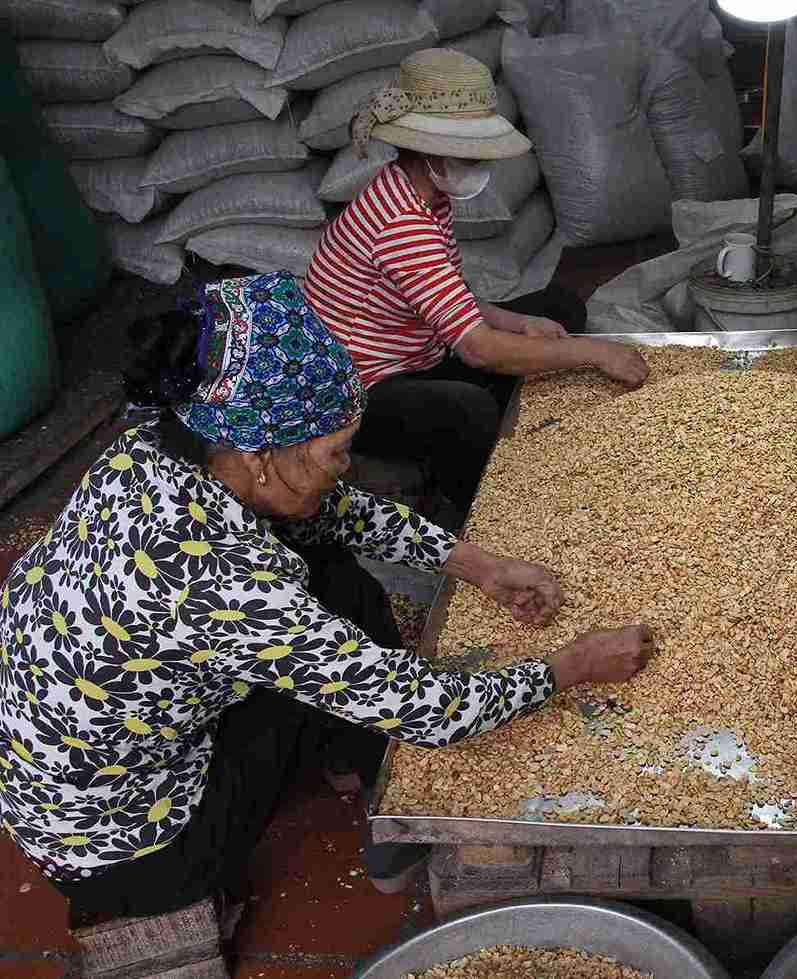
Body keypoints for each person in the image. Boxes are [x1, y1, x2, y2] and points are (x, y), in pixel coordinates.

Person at [0, 270, 656, 924]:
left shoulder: (155, 447)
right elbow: (435, 709)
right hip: (129, 852)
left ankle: (351, 756)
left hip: (62, 767)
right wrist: (570, 665)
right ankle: (380, 803)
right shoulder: (226, 582)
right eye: (337, 451)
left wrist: (477, 564)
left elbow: (331, 510)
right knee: (333, 620)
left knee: (322, 557)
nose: (347, 467)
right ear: (260, 456)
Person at [305, 48, 650, 516]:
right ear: (428, 152)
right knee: (468, 410)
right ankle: (478, 511)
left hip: (421, 350)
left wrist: (519, 320)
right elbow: (477, 349)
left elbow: (451, 296)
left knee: (557, 307)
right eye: (467, 153)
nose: (478, 164)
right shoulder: (400, 223)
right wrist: (596, 352)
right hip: (364, 390)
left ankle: (516, 421)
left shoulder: (424, 196)